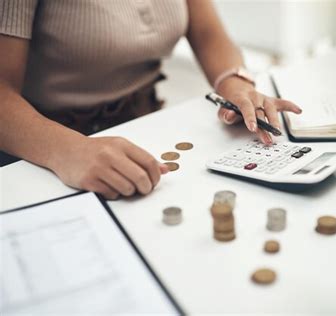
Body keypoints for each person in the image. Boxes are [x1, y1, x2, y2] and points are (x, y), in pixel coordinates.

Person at [0, 0, 302, 200]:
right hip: (43, 147)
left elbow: (207, 31)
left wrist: (235, 84)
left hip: (146, 126)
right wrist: (68, 151)